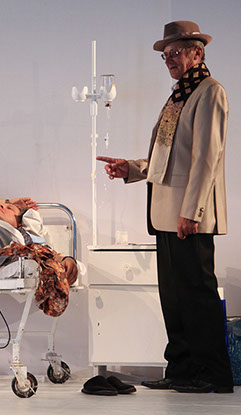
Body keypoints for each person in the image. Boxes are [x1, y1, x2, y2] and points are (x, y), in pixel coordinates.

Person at [97, 21, 233, 393]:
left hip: (188, 216)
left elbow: (206, 158)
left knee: (198, 295)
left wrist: (193, 211)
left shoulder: (209, 92)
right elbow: (166, 157)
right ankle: (182, 369)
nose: (170, 59)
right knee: (174, 298)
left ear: (197, 53)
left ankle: (212, 374)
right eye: (166, 55)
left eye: (176, 52)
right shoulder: (178, 96)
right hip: (165, 215)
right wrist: (131, 168)